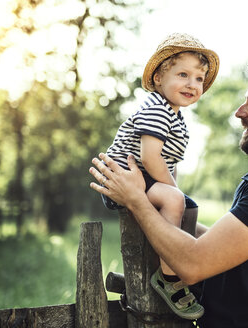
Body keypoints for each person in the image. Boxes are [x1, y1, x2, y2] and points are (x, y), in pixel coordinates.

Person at [90, 60, 248, 327]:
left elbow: (193, 265)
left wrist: (137, 200)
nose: (239, 112)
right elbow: (221, 246)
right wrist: (159, 209)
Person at [100, 33, 220, 320]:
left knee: (186, 207)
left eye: (199, 79)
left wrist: (176, 193)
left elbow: (168, 162)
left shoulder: (174, 116)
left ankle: (181, 260)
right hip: (125, 176)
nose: (192, 84)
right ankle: (169, 278)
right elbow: (150, 158)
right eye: (183, 74)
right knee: (176, 199)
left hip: (145, 177)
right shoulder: (156, 109)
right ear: (158, 78)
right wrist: (173, 192)